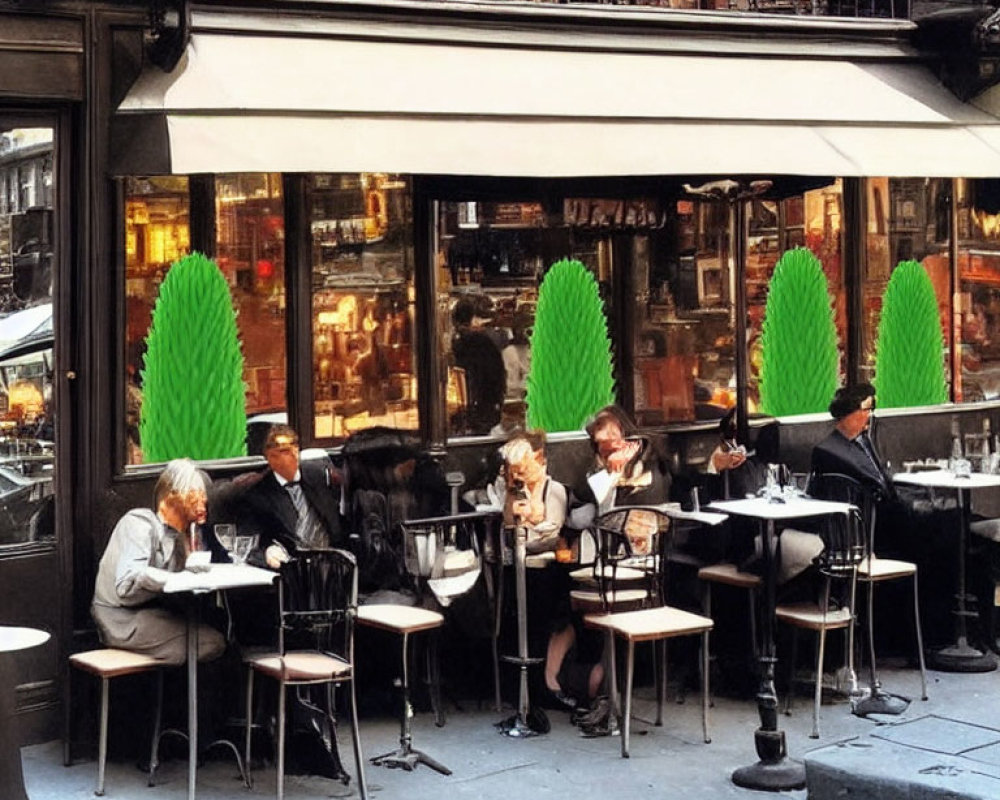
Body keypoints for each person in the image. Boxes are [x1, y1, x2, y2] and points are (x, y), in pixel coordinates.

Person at [91, 458, 225, 665]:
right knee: (211, 642)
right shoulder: (139, 523)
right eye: (194, 493)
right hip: (123, 620)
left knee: (222, 624)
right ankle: (170, 690)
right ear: (171, 496)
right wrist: (177, 579)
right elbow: (127, 583)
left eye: (202, 494)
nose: (202, 501)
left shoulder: (183, 535)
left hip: (154, 613)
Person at [237, 424, 346, 568]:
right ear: (271, 457)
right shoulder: (257, 495)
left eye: (295, 447)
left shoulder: (319, 476)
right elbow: (249, 546)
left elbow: (339, 521)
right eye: (284, 451)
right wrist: (268, 554)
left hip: (335, 559)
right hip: (294, 567)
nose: (293, 454)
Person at [451, 297, 506, 435]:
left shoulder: (457, 342)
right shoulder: (483, 341)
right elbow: (498, 373)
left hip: (470, 404)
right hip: (485, 404)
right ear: (472, 318)